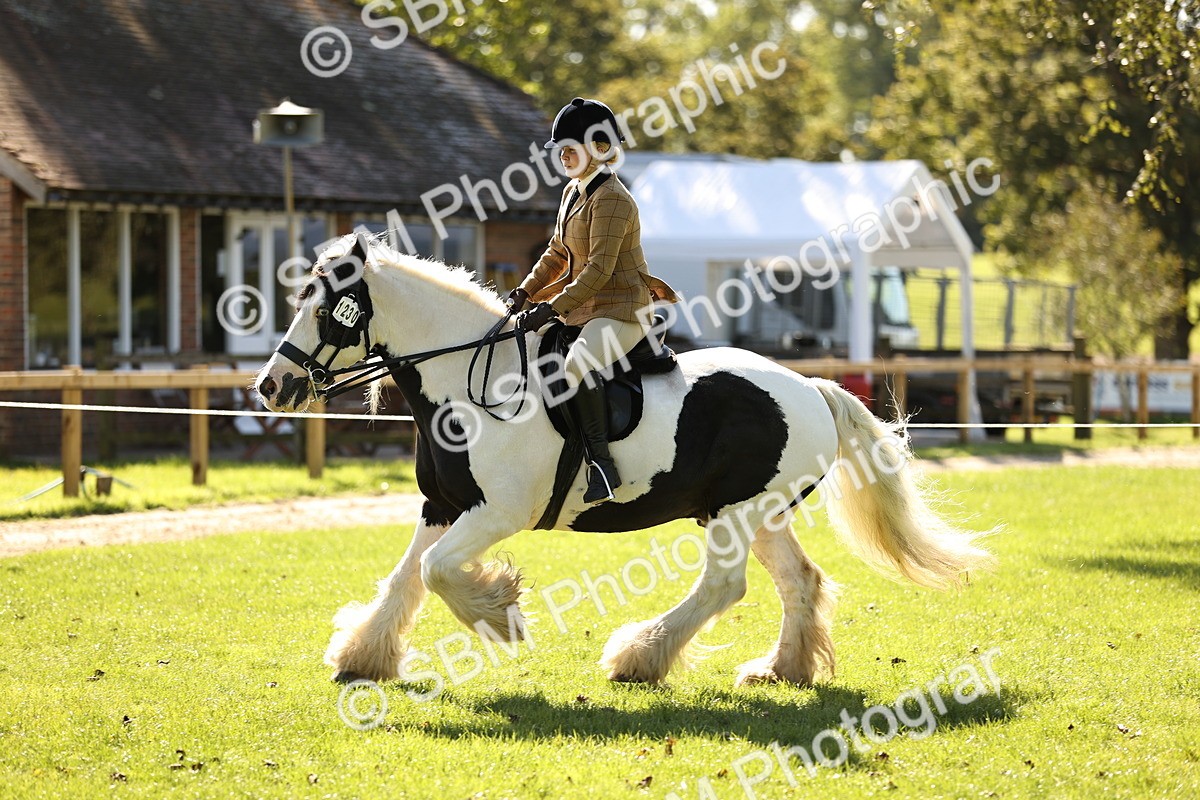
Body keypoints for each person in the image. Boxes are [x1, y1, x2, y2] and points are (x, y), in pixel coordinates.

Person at [508, 97, 678, 504]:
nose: (564, 156)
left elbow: (599, 270)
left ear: (600, 147)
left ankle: (602, 464)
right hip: (583, 309)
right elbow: (555, 253)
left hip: (620, 308)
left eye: (571, 148)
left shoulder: (613, 199)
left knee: (577, 365)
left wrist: (551, 308)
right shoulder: (573, 192)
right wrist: (525, 292)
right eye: (561, 150)